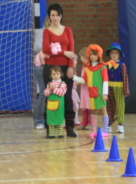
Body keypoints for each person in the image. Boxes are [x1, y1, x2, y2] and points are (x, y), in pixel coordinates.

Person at [42, 3, 77, 137]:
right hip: (51, 68)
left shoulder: (67, 30)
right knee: (50, 97)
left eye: (57, 15)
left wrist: (70, 67)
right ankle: (49, 127)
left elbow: (72, 51)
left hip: (65, 67)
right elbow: (46, 49)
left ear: (61, 16)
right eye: (52, 15)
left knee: (68, 97)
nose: (55, 18)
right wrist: (64, 52)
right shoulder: (47, 31)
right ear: (49, 17)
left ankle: (69, 126)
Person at [73, 44, 111, 137]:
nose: (93, 56)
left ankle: (105, 130)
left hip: (100, 93)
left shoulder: (103, 67)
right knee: (93, 111)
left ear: (99, 55)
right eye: (91, 54)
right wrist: (73, 77)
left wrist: (105, 93)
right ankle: (94, 130)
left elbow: (105, 81)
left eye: (95, 54)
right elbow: (84, 80)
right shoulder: (88, 68)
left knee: (103, 110)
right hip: (92, 93)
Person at [105, 42, 130, 133]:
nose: (114, 55)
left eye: (116, 53)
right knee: (109, 106)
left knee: (120, 105)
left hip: (119, 88)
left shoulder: (122, 65)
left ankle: (120, 124)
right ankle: (108, 124)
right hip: (108, 87)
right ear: (109, 54)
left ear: (119, 54)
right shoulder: (106, 65)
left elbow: (125, 78)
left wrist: (126, 90)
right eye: (112, 53)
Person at [33, 18, 50, 129]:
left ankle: (50, 119)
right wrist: (51, 48)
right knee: (44, 93)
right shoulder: (42, 32)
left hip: (53, 67)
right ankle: (38, 120)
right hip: (41, 66)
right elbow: (37, 47)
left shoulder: (58, 32)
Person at [44, 66, 67, 138]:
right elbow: (46, 93)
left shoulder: (63, 84)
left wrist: (53, 89)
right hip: (50, 105)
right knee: (50, 119)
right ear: (51, 75)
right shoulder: (49, 84)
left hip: (59, 106)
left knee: (59, 118)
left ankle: (60, 134)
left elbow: (61, 93)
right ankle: (51, 134)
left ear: (61, 74)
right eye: (53, 74)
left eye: (57, 74)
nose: (55, 76)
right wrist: (49, 90)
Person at [76, 47, 92, 130]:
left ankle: (90, 122)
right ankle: (84, 122)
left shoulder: (90, 66)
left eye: (81, 56)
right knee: (84, 106)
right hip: (83, 89)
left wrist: (76, 79)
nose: (80, 58)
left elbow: (86, 79)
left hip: (89, 89)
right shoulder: (84, 66)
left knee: (89, 106)